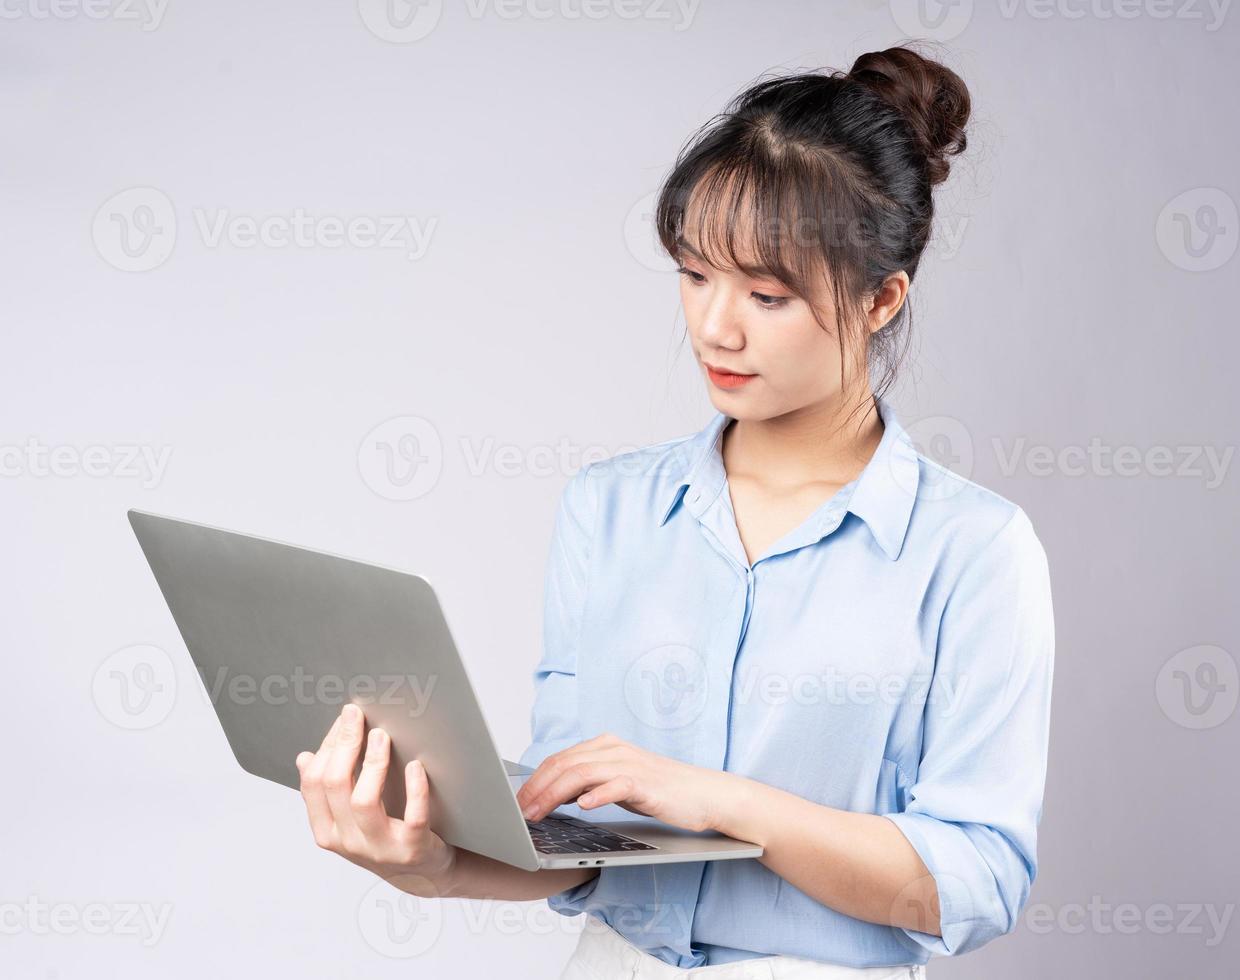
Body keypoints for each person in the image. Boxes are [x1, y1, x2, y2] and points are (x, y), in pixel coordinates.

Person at [295, 43, 1055, 979]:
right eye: (695, 274)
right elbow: (577, 837)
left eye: (767, 295)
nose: (714, 327)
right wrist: (433, 863)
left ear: (880, 301)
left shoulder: (972, 551)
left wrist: (716, 798)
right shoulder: (607, 511)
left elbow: (975, 881)